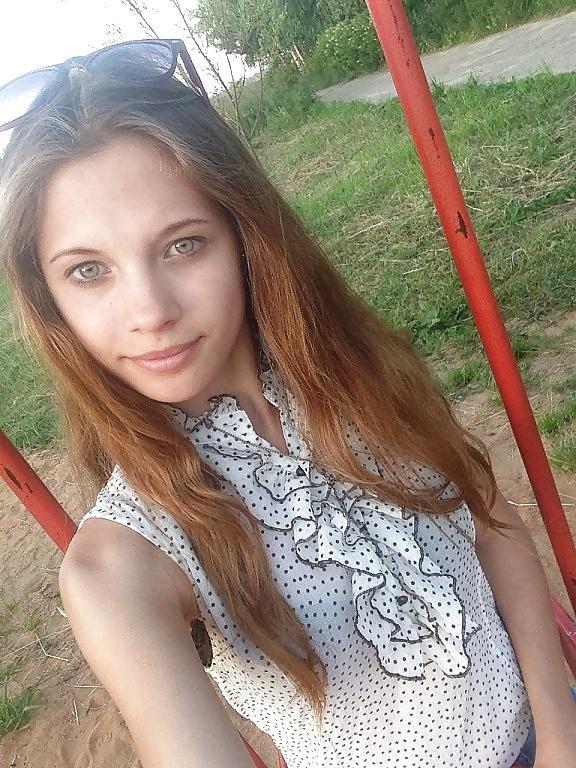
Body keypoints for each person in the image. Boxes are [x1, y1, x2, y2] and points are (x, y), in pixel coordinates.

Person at [0, 39, 575, 768]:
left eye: (182, 246)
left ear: (243, 235)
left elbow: (490, 522)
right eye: (88, 271)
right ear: (51, 300)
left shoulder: (358, 372)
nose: (150, 311)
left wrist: (560, 733)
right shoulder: (123, 561)